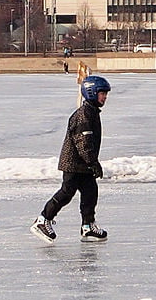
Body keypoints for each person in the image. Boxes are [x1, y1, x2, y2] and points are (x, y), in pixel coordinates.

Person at [32, 75, 111, 244]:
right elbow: (83, 142)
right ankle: (43, 220)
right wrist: (93, 162)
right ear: (91, 93)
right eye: (102, 93)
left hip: (83, 164)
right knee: (67, 192)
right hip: (74, 163)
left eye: (105, 94)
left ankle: (88, 226)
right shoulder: (84, 115)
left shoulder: (91, 112)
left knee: (90, 192)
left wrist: (91, 163)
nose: (105, 97)